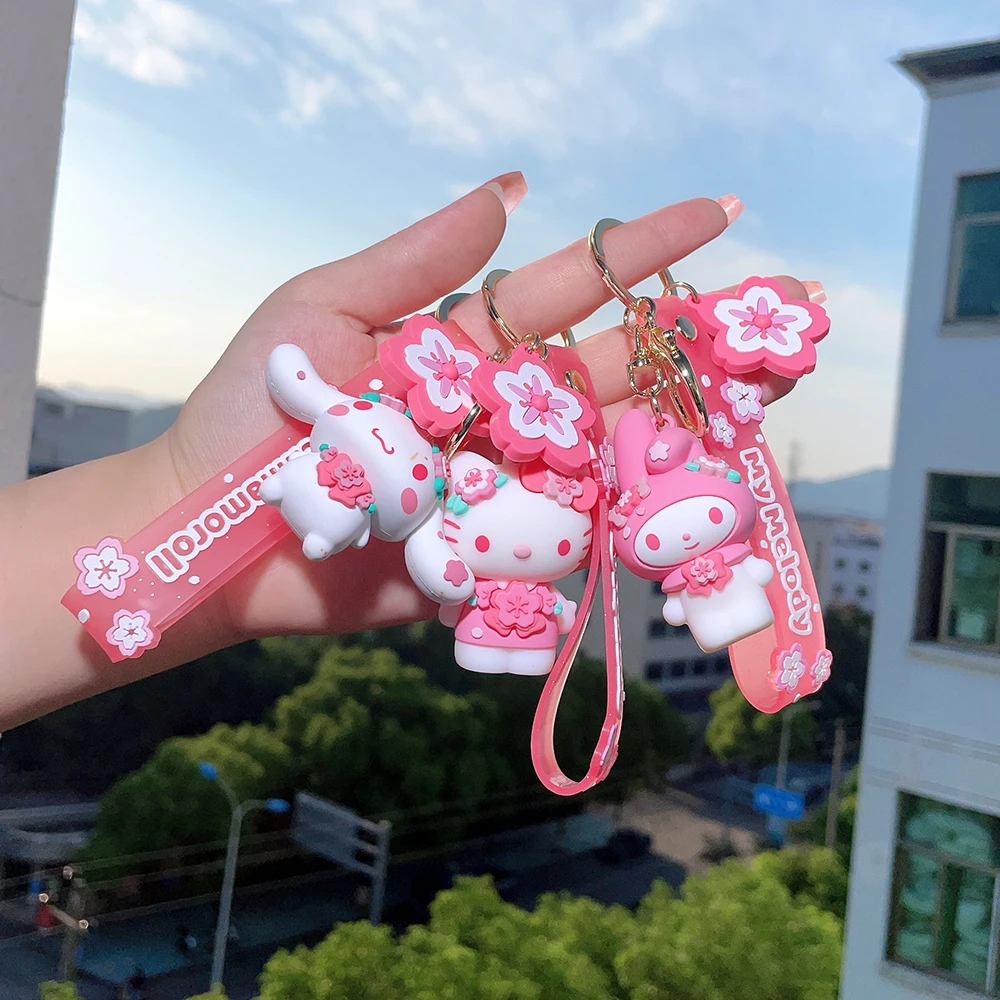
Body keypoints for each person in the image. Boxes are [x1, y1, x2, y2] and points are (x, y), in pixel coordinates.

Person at [0, 176, 815, 731]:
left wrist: (167, 491)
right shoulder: (458, 480)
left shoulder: (551, 487)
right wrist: (178, 485)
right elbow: (432, 534)